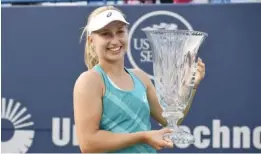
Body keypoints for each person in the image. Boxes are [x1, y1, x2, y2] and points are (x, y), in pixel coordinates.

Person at [73, 5, 206, 153]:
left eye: (120, 32)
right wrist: (143, 137)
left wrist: (190, 85)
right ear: (91, 41)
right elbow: (88, 143)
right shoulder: (90, 80)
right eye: (106, 34)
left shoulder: (140, 77)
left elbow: (171, 120)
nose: (115, 40)